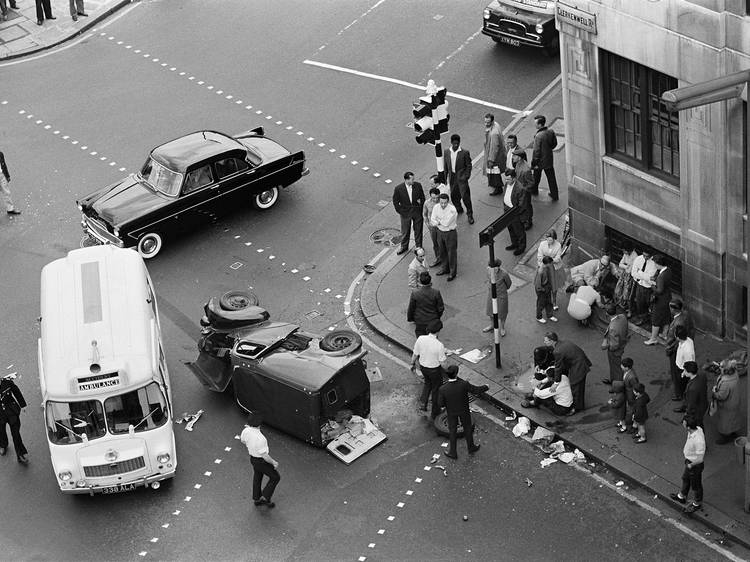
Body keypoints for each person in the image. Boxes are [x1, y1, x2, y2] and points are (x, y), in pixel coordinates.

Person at [437, 365, 489, 459]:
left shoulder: (442, 389)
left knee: (452, 431)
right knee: (467, 428)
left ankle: (453, 452)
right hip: (464, 411)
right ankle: (471, 447)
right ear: (456, 374)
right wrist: (486, 387)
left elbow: (440, 404)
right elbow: (476, 390)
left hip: (451, 413)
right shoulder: (463, 384)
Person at [240, 413, 280, 508]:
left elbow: (243, 441)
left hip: (253, 459)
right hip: (261, 461)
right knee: (275, 477)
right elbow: (265, 456)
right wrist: (274, 462)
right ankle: (265, 497)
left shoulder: (246, 431)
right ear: (259, 424)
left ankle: (256, 498)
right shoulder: (261, 438)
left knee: (257, 477)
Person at [544, 331, 591, 412]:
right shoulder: (564, 342)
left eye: (546, 341)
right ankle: (578, 404)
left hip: (578, 367)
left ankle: (576, 408)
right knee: (579, 385)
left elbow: (558, 368)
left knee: (575, 386)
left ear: (552, 341)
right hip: (581, 362)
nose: (544, 342)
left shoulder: (557, 351)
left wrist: (556, 383)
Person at [410, 320, 447, 419]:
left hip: (423, 367)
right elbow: (443, 363)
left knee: (427, 384)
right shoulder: (439, 345)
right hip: (434, 370)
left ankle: (423, 403)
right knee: (436, 389)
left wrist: (412, 363)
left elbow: (415, 354)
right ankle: (435, 411)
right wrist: (448, 370)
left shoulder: (421, 339)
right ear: (438, 331)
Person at [670, 416, 705, 514]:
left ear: (689, 427)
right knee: (685, 478)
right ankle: (682, 496)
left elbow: (700, 459)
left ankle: (697, 503)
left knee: (696, 485)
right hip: (689, 462)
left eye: (684, 424)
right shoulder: (696, 430)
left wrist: (691, 465)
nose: (683, 424)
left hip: (694, 465)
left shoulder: (698, 440)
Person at [664, 298, 695, 401]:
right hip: (681, 346)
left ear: (673, 309)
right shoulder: (685, 315)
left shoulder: (678, 322)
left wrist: (669, 349)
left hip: (676, 350)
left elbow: (676, 339)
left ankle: (679, 394)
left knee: (676, 373)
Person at [392, 172, 425, 255]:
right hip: (405, 213)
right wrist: (401, 211)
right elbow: (395, 202)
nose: (414, 180)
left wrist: (420, 207)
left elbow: (422, 197)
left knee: (418, 230)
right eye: (412, 179)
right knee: (405, 231)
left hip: (417, 211)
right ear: (406, 180)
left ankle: (419, 246)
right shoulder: (398, 188)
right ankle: (404, 246)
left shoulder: (418, 185)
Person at [711, 359, 743, 444]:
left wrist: (714, 393)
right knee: (733, 418)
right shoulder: (735, 375)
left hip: (727, 405)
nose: (719, 368)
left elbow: (721, 396)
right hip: (735, 401)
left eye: (721, 367)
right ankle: (733, 432)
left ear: (725, 370)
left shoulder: (726, 383)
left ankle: (725, 437)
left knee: (725, 422)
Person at [444, 134, 474, 224]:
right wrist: (444, 178)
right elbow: (445, 165)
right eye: (454, 144)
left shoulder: (465, 152)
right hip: (452, 177)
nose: (456, 146)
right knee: (453, 195)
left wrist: (466, 176)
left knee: (465, 196)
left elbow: (469, 165)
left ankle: (470, 214)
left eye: (457, 144)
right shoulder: (446, 152)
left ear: (459, 142)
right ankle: (459, 208)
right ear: (451, 142)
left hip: (461, 178)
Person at [644, 254, 672, 345]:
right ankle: (664, 334)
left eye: (655, 263)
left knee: (655, 318)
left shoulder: (661, 276)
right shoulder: (668, 270)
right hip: (667, 297)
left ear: (658, 263)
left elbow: (659, 290)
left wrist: (652, 284)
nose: (654, 265)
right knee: (666, 316)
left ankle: (653, 339)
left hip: (660, 300)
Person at [0, 374, 28, 463]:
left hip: (12, 412)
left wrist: (23, 405)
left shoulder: (7, 382)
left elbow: (16, 392)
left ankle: (20, 454)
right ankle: (3, 445)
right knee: (1, 432)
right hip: (0, 415)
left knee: (16, 435)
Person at [407, 271, 444, 337]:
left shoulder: (415, 293)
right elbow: (441, 308)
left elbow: (411, 308)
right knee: (433, 340)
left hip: (420, 321)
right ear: (430, 281)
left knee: (421, 340)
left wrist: (411, 318)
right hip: (432, 321)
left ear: (420, 281)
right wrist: (436, 317)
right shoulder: (436, 293)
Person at [430, 193, 458, 281]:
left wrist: (438, 221)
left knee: (451, 253)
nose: (443, 205)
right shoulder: (436, 207)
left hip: (450, 233)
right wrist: (440, 221)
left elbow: (446, 223)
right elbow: (432, 220)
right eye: (441, 202)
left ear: (448, 202)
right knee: (442, 252)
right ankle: (445, 269)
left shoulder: (452, 210)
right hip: (440, 232)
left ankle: (452, 272)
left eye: (445, 203)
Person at [530, 115, 558, 200]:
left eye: (535, 123)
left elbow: (536, 151)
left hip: (540, 161)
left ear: (540, 124)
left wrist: (534, 162)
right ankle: (554, 194)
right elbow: (554, 144)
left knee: (536, 176)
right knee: (551, 178)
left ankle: (534, 190)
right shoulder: (551, 131)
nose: (534, 125)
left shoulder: (538, 136)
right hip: (549, 159)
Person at [483, 259, 512, 336]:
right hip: (491, 294)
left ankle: (502, 327)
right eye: (492, 267)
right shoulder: (489, 271)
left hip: (501, 295)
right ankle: (492, 325)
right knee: (490, 311)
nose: (494, 269)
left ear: (498, 267)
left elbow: (509, 284)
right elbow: (489, 280)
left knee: (502, 313)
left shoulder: (504, 274)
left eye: (495, 268)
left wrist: (502, 290)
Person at [675, 361, 708, 429]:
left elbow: (691, 404)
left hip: (697, 410)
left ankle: (701, 435)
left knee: (698, 424)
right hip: (703, 403)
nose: (683, 372)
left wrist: (686, 416)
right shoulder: (702, 375)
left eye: (685, 370)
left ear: (689, 372)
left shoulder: (692, 389)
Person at [602, 303, 629, 384]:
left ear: (607, 313)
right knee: (615, 367)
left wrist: (606, 346)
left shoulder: (613, 328)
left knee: (615, 368)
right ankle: (614, 380)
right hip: (622, 343)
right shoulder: (622, 317)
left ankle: (617, 385)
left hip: (615, 351)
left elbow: (614, 345)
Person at [536, 229, 564, 309]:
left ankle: (554, 302)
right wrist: (549, 259)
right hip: (544, 267)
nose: (549, 241)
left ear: (554, 239)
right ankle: (544, 302)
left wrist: (548, 259)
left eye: (551, 240)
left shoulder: (558, 245)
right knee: (544, 286)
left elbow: (558, 258)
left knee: (554, 287)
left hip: (554, 269)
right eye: (548, 239)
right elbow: (539, 257)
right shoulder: (542, 244)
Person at [502, 170, 527, 256]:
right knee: (511, 228)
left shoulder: (520, 188)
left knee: (519, 230)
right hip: (507, 210)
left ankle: (521, 247)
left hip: (515, 213)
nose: (506, 181)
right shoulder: (507, 184)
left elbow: (522, 204)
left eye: (508, 179)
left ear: (514, 179)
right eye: (506, 179)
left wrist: (516, 214)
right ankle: (514, 243)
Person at [630, 250, 656, 325]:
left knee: (647, 302)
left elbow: (650, 277)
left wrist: (640, 272)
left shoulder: (654, 263)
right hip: (639, 284)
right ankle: (641, 317)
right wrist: (645, 276)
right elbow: (633, 273)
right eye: (644, 255)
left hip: (648, 287)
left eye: (647, 256)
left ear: (651, 256)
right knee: (639, 302)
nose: (645, 257)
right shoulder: (638, 259)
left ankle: (646, 317)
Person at [511, 146, 534, 230]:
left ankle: (528, 221)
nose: (513, 157)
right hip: (519, 190)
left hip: (524, 192)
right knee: (521, 206)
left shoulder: (526, 169)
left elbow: (531, 183)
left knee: (527, 206)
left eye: (514, 156)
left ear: (520, 158)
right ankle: (524, 219)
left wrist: (524, 190)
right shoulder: (518, 164)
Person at [483, 113, 506, 196]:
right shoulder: (496, 125)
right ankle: (497, 186)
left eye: (488, 122)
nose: (486, 124)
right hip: (499, 154)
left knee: (494, 173)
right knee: (496, 172)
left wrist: (491, 160)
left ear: (492, 121)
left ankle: (498, 187)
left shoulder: (494, 133)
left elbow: (494, 147)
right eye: (485, 122)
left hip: (495, 157)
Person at [613, 243, 638, 314]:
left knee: (627, 294)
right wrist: (626, 266)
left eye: (624, 251)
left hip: (630, 276)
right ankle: (620, 303)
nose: (623, 252)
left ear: (629, 250)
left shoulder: (635, 256)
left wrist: (625, 266)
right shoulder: (626, 254)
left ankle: (629, 309)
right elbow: (620, 264)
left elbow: (630, 270)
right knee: (618, 289)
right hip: (624, 274)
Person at [618, 357, 640, 434]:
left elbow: (636, 387)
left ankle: (633, 425)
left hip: (631, 396)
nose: (621, 366)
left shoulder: (632, 377)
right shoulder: (627, 372)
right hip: (627, 394)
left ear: (627, 367)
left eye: (622, 365)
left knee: (632, 410)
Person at [423, 186, 442, 267]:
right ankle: (438, 258)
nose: (435, 200)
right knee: (435, 244)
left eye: (437, 198)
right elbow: (424, 214)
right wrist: (427, 224)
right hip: (432, 227)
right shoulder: (427, 203)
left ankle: (445, 259)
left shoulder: (443, 202)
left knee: (442, 243)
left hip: (442, 227)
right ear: (430, 196)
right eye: (433, 198)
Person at [535, 256, 557, 324]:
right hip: (542, 289)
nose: (551, 264)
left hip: (546, 287)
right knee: (540, 303)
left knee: (548, 302)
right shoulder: (541, 271)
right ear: (547, 263)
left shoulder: (545, 267)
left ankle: (550, 315)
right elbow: (538, 284)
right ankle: (539, 317)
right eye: (550, 263)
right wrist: (542, 289)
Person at [0, 151, 20, 215]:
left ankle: (10, 209)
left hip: (2, 175)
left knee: (7, 192)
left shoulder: (0, 154)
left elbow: (4, 165)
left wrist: (7, 176)